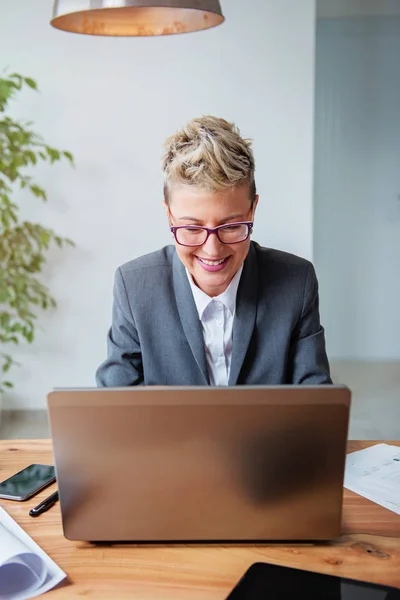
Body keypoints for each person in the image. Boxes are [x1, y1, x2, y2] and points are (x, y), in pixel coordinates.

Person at [96, 115, 332, 387]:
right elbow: (115, 402)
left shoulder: (296, 282)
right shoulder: (135, 287)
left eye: (231, 227)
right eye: (192, 229)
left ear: (252, 210)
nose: (212, 249)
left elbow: (314, 402)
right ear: (170, 216)